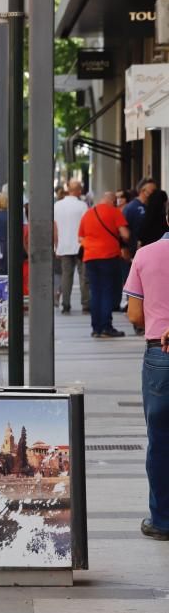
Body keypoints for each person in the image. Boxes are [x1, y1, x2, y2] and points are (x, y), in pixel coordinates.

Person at [124, 195, 169, 540]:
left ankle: (162, 520)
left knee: (160, 439)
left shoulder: (145, 254)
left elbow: (135, 316)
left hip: (160, 356)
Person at [79, 191, 130, 337]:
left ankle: (96, 328)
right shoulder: (114, 212)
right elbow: (125, 234)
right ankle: (107, 327)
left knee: (96, 292)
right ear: (112, 201)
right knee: (107, 291)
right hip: (108, 256)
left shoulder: (88, 214)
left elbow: (80, 238)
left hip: (90, 257)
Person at [54, 179, 91, 315]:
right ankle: (86, 304)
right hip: (80, 246)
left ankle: (66, 303)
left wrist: (55, 246)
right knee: (83, 276)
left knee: (66, 276)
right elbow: (86, 226)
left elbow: (55, 228)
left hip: (64, 246)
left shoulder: (57, 205)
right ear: (79, 190)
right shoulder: (82, 206)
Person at [124, 178, 157, 252]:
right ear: (143, 190)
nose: (155, 194)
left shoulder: (152, 208)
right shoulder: (131, 208)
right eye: (153, 191)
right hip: (135, 250)